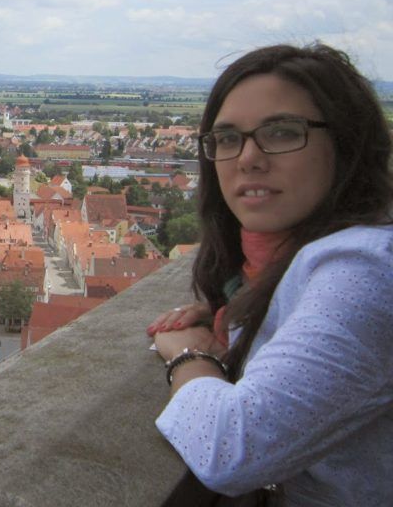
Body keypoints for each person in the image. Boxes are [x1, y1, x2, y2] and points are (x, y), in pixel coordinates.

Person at [147, 43, 393, 506]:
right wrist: (240, 309)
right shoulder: (287, 263)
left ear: (347, 143)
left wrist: (186, 357)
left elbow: (231, 451)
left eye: (281, 132)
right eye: (227, 138)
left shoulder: (366, 267)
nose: (248, 158)